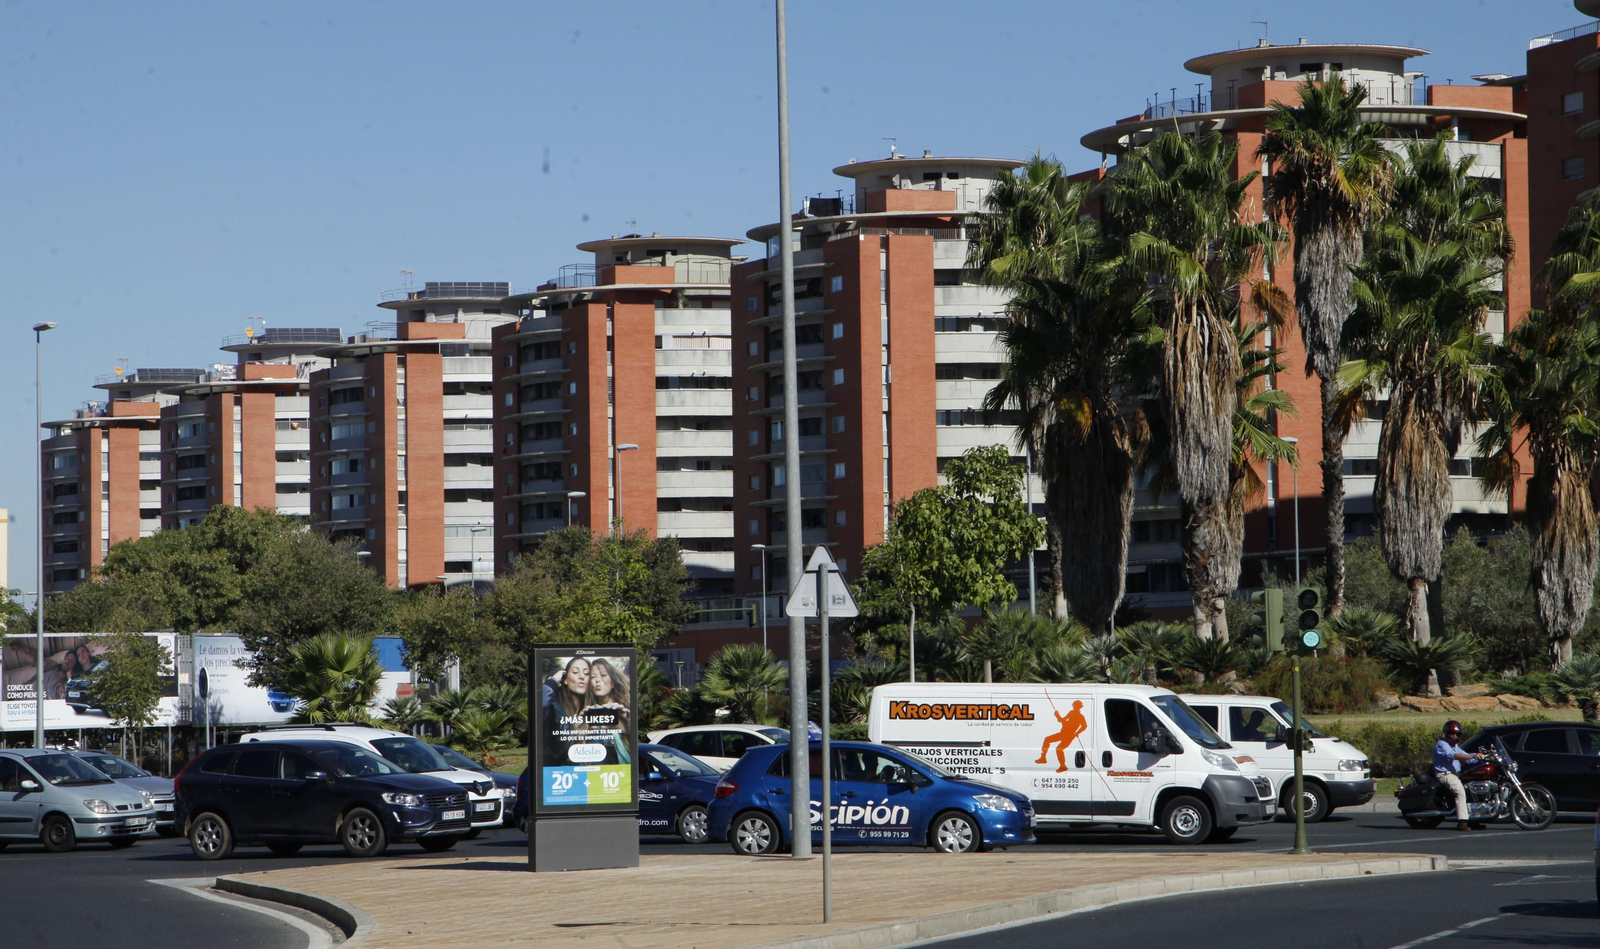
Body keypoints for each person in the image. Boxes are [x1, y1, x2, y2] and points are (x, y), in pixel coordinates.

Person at [1433, 720, 1484, 831]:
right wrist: (1472, 756)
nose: (1455, 736)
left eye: (1457, 734)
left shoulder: (1455, 746)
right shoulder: (1442, 744)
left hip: (1456, 774)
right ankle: (1462, 822)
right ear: (1446, 733)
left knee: (1471, 791)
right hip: (1445, 774)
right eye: (1452, 733)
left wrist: (1483, 756)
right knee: (1460, 793)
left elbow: (1466, 756)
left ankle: (1473, 820)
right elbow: (1453, 756)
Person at [541, 657, 591, 767]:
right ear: (565, 679)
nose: (582, 676)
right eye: (575, 672)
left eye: (586, 673)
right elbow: (539, 706)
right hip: (555, 771)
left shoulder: (593, 709)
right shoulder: (554, 708)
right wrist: (553, 681)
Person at [585, 658, 632, 766]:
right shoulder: (586, 714)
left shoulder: (624, 711)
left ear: (612, 683)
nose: (598, 680)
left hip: (625, 771)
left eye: (603, 675)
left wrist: (627, 727)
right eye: (593, 677)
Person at [1036, 700, 1089, 773]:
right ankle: (1043, 757)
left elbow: (1084, 726)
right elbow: (1062, 720)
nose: (1073, 707)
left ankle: (1063, 766)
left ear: (1079, 707)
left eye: (1075, 706)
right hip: (1064, 733)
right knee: (1047, 739)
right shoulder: (1071, 712)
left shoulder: (1080, 716)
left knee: (1059, 749)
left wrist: (1077, 732)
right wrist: (1057, 715)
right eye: (1073, 706)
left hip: (1069, 735)